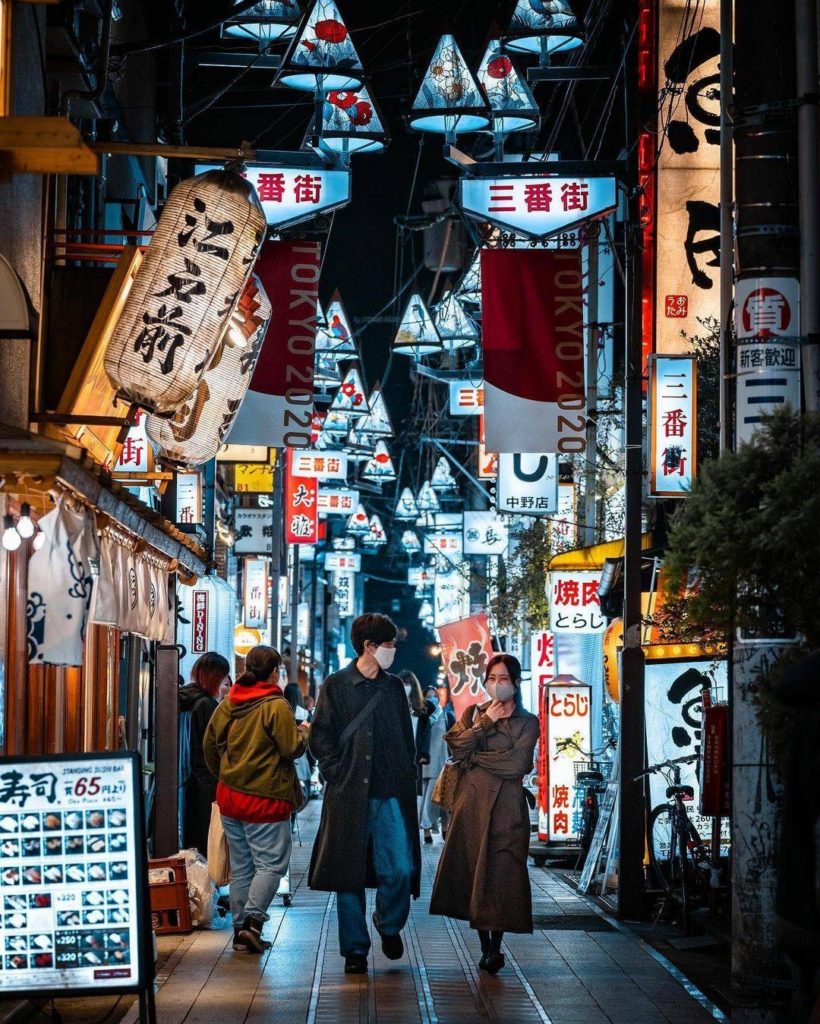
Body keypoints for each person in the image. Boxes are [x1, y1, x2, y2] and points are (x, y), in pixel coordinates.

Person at [308, 613, 421, 975]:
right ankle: (354, 950)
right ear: (369, 647)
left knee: (400, 868)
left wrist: (407, 774)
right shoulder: (337, 685)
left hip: (390, 793)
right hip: (348, 793)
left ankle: (388, 924)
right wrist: (334, 771)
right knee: (348, 874)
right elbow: (321, 735)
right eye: (388, 644)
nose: (393, 649)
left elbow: (406, 738)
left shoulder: (392, 688)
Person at [429, 654, 539, 974]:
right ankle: (485, 948)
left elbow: (518, 764)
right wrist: (484, 725)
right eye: (491, 678)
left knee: (502, 876)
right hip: (472, 806)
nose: (496, 685)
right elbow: (456, 747)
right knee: (474, 873)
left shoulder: (527, 721)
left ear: (516, 684)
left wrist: (478, 759)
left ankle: (496, 946)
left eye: (503, 679)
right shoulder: (474, 713)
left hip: (507, 808)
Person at [203, 646, 309, 954]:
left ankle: (239, 931)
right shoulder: (275, 706)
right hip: (265, 799)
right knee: (271, 864)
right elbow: (291, 748)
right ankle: (252, 923)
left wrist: (226, 774)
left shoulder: (228, 702)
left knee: (242, 865)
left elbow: (209, 746)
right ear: (274, 671)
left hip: (230, 799)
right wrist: (305, 733)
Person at [178, 652, 229, 856]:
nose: (226, 683)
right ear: (214, 678)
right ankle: (204, 886)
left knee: (192, 843)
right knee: (206, 843)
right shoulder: (207, 705)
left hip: (187, 781)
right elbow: (213, 749)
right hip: (206, 784)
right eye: (224, 678)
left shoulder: (186, 700)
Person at [416, 683, 455, 844]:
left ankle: (445, 828)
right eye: (428, 696)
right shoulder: (421, 717)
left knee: (442, 799)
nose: (431, 699)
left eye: (434, 696)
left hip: (442, 763)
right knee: (427, 799)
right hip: (425, 763)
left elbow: (453, 739)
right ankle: (426, 830)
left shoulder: (447, 716)